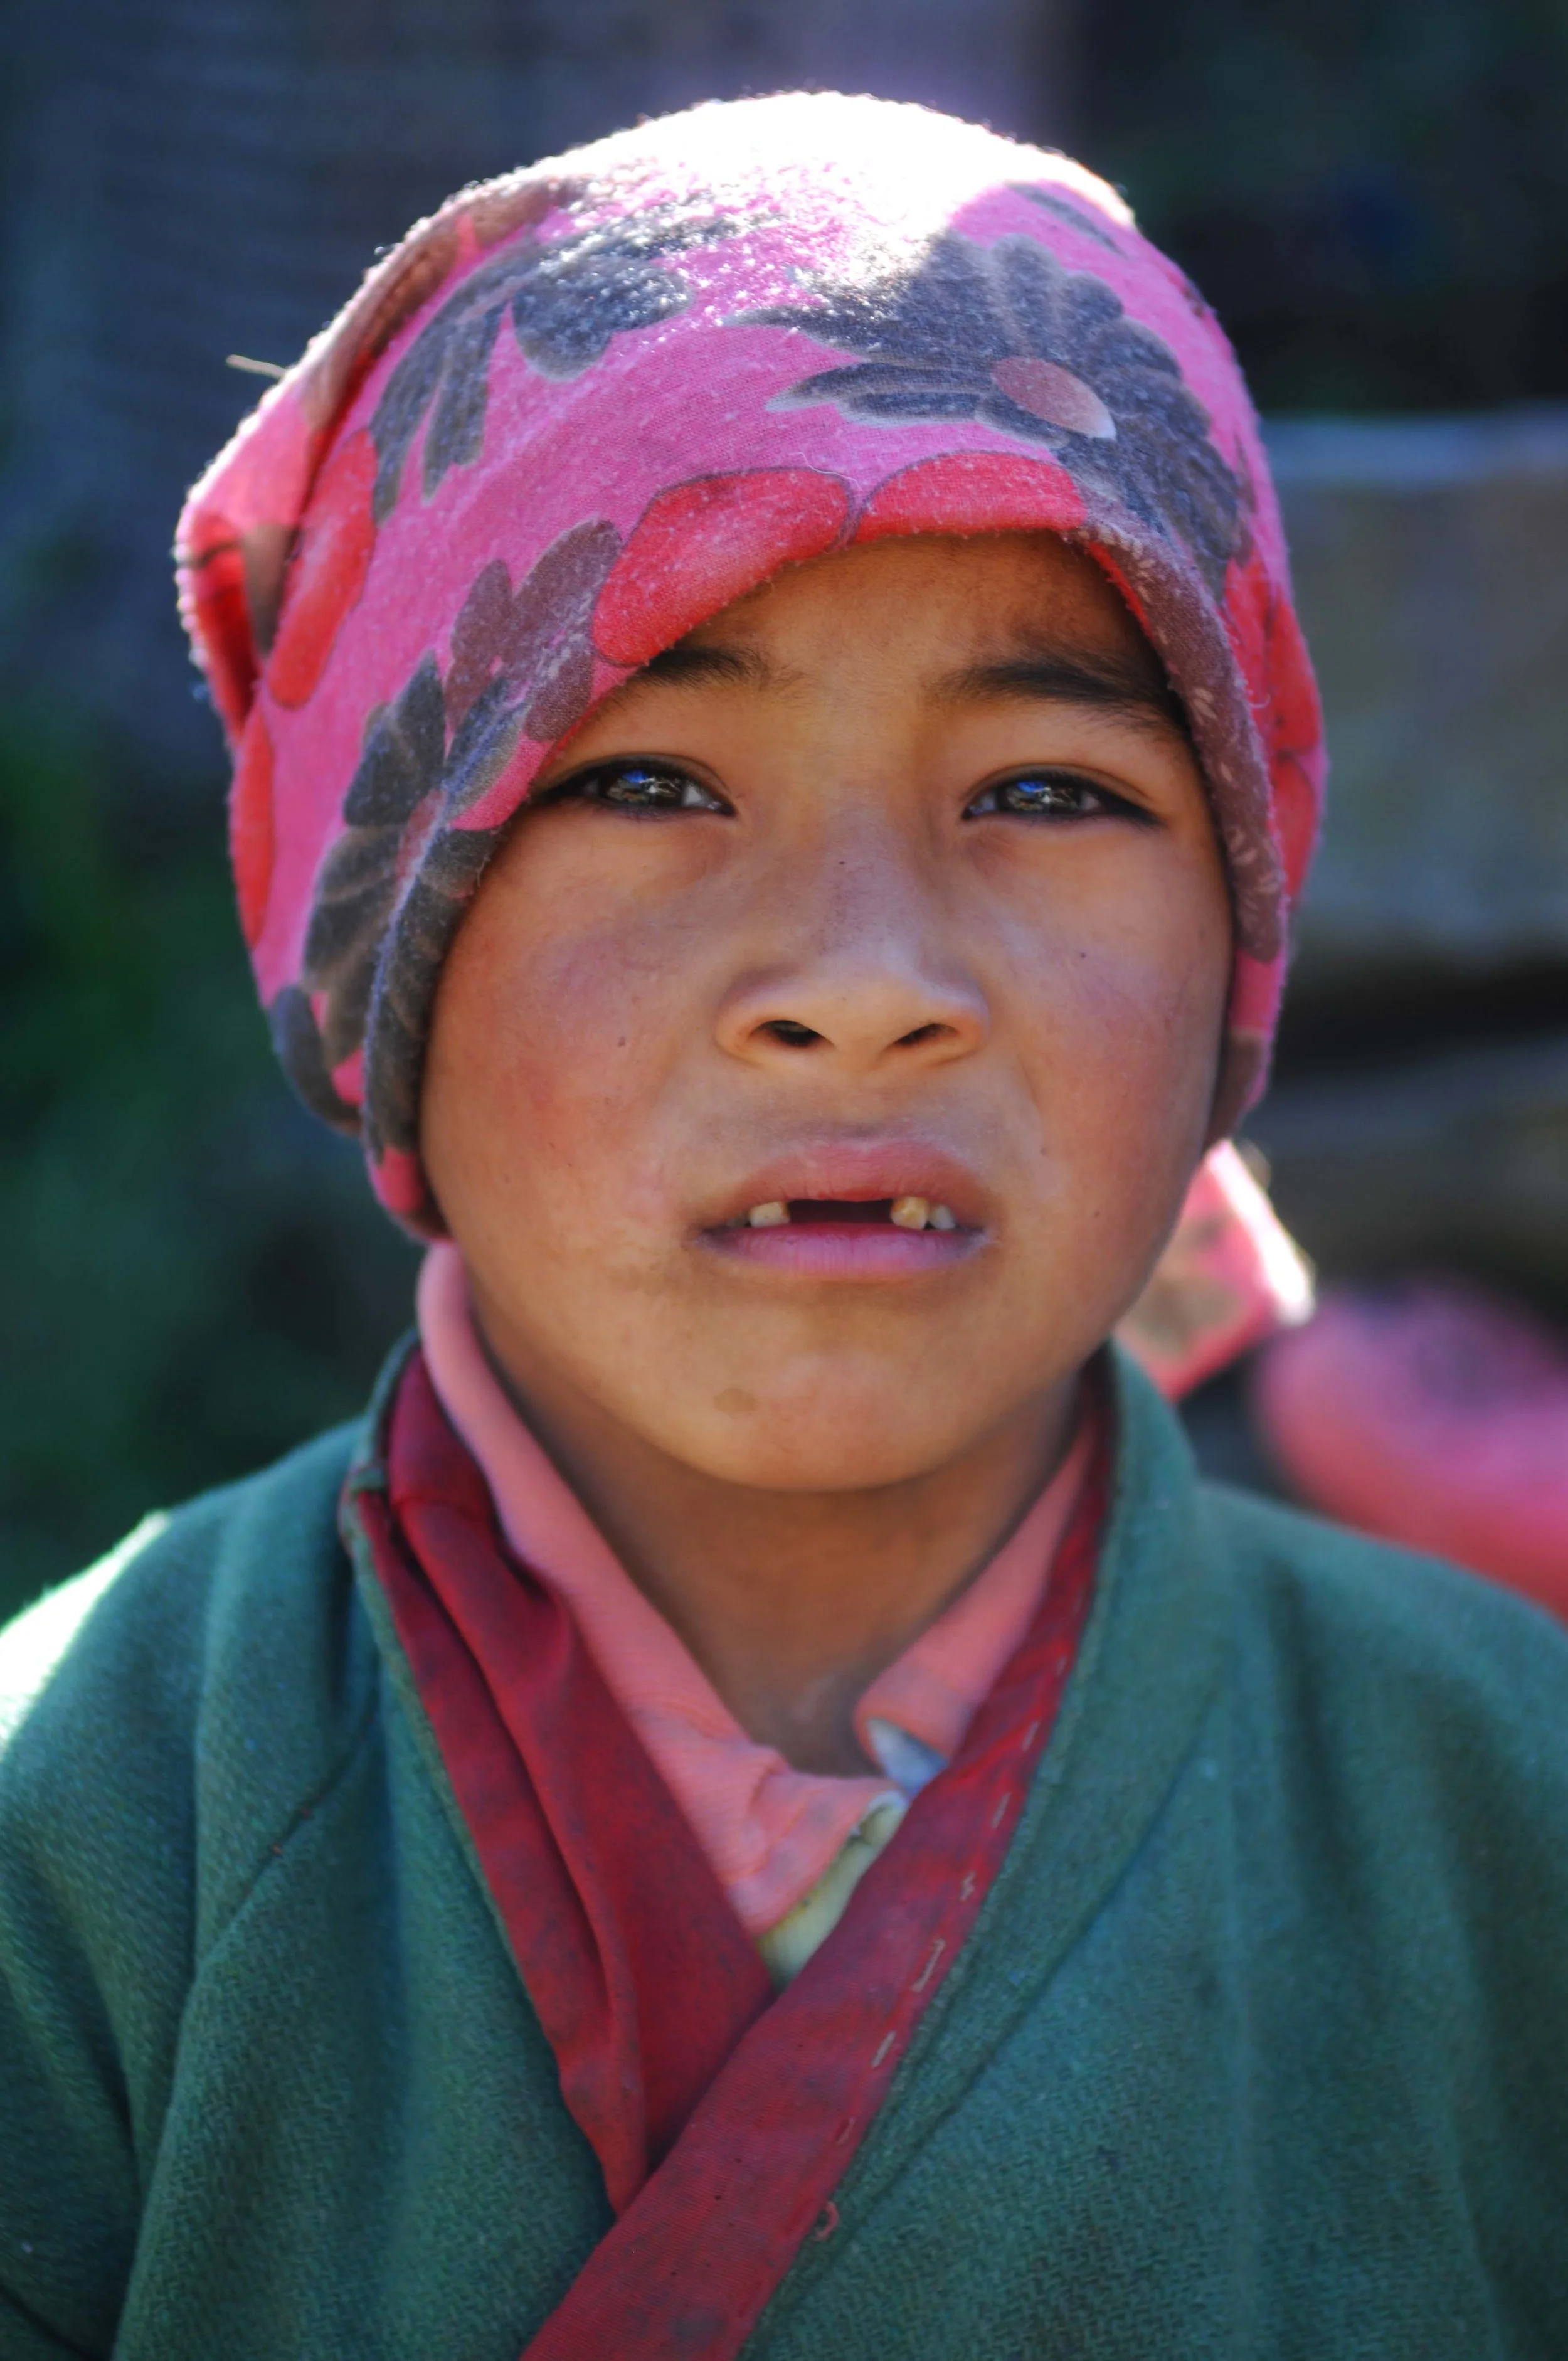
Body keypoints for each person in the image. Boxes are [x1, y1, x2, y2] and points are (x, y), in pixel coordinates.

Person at [1, 93, 1564, 2361]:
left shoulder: (1503, 1813)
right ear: (379, 944)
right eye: (645, 781)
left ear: (1235, 952)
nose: (860, 978)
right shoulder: (77, 1839)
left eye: (1048, 789)